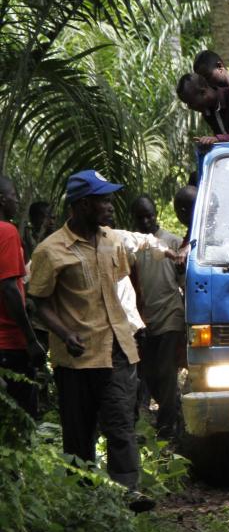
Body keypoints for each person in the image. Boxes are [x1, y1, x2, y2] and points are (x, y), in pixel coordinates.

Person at [28, 170, 154, 512]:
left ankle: (127, 493)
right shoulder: (50, 250)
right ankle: (83, 503)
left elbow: (127, 281)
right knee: (79, 434)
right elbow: (38, 300)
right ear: (83, 205)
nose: (110, 207)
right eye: (104, 200)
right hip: (77, 358)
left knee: (121, 425)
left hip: (117, 349)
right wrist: (65, 332)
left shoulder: (112, 240)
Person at [130, 195, 185, 439]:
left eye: (149, 215)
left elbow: (184, 280)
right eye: (140, 217)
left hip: (170, 314)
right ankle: (171, 414)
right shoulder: (132, 247)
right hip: (145, 321)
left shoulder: (172, 242)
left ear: (156, 215)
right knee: (150, 376)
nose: (145, 221)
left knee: (166, 372)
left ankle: (166, 431)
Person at [0, 177, 47, 418]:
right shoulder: (6, 231)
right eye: (14, 195)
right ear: (2, 199)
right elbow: (8, 287)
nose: (17, 200)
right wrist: (30, 339)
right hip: (9, 342)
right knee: (21, 420)